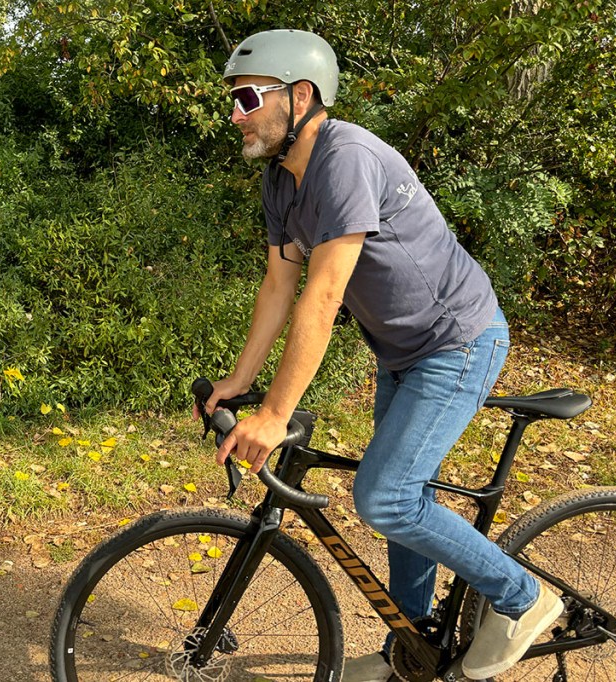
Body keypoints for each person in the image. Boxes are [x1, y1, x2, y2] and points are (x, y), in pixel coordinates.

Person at [202, 29, 563, 682]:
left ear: (301, 96)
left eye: (249, 96)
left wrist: (278, 413)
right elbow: (279, 287)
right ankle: (416, 647)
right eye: (233, 99)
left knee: (388, 498)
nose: (235, 113)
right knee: (405, 500)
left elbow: (324, 292)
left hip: (458, 341)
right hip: (401, 353)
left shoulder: (346, 158)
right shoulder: (281, 184)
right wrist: (241, 381)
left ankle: (523, 598)